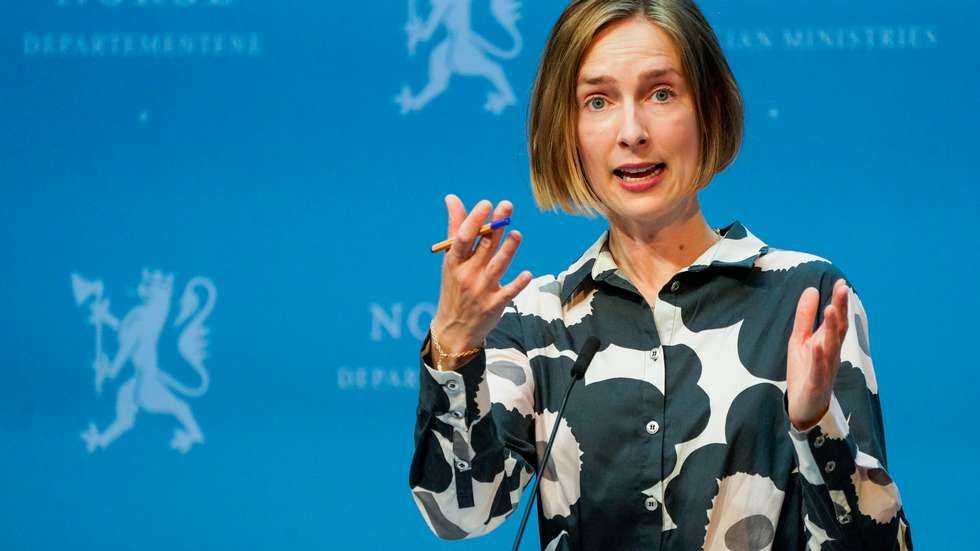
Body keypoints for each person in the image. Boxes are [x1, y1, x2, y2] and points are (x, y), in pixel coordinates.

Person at [408, 0, 913, 549]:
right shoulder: (535, 320)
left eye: (661, 94)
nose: (632, 132)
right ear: (568, 130)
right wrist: (454, 342)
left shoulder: (805, 298)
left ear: (709, 108)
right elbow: (461, 513)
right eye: (598, 101)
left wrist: (816, 426)